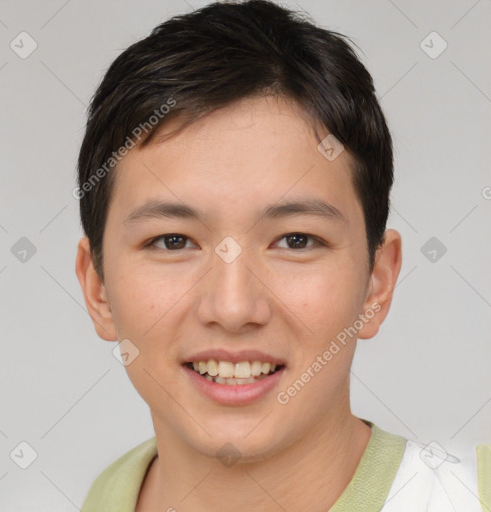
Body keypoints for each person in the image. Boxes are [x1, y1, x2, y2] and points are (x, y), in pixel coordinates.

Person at [74, 1, 490, 510]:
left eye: (296, 240)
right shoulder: (99, 495)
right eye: (173, 241)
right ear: (98, 289)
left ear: (376, 283)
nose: (232, 308)